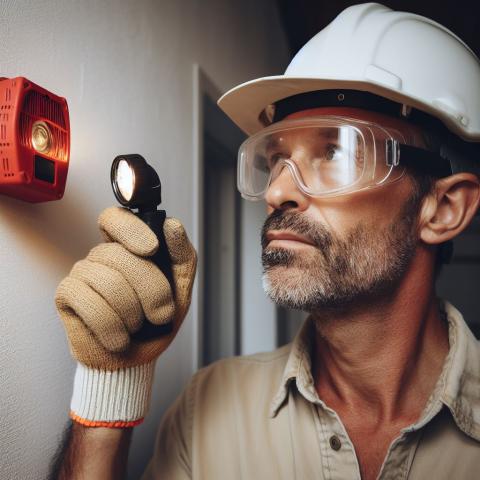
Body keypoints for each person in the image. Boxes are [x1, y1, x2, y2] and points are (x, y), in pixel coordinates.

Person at [51, 3, 480, 479]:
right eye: (275, 158)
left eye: (335, 151)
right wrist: (110, 387)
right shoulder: (206, 413)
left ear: (444, 209)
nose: (277, 190)